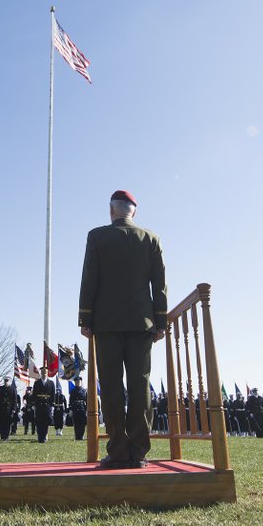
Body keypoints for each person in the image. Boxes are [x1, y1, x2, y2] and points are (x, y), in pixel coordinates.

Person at [78, 190, 167, 469]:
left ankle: (117, 450)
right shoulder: (151, 239)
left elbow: (89, 277)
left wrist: (85, 318)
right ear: (134, 212)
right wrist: (160, 322)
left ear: (111, 211)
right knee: (140, 386)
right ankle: (138, 451)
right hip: (142, 324)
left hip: (106, 323)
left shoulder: (97, 237)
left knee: (112, 386)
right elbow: (159, 285)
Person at [31, 368, 54, 443]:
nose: (44, 374)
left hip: (47, 406)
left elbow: (52, 395)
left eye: (45, 373)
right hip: (39, 405)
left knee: (46, 422)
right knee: (39, 422)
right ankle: (40, 437)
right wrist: (34, 404)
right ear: (41, 374)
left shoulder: (51, 383)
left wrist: (52, 405)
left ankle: (44, 437)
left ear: (47, 374)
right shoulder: (37, 383)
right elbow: (34, 395)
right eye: (43, 373)